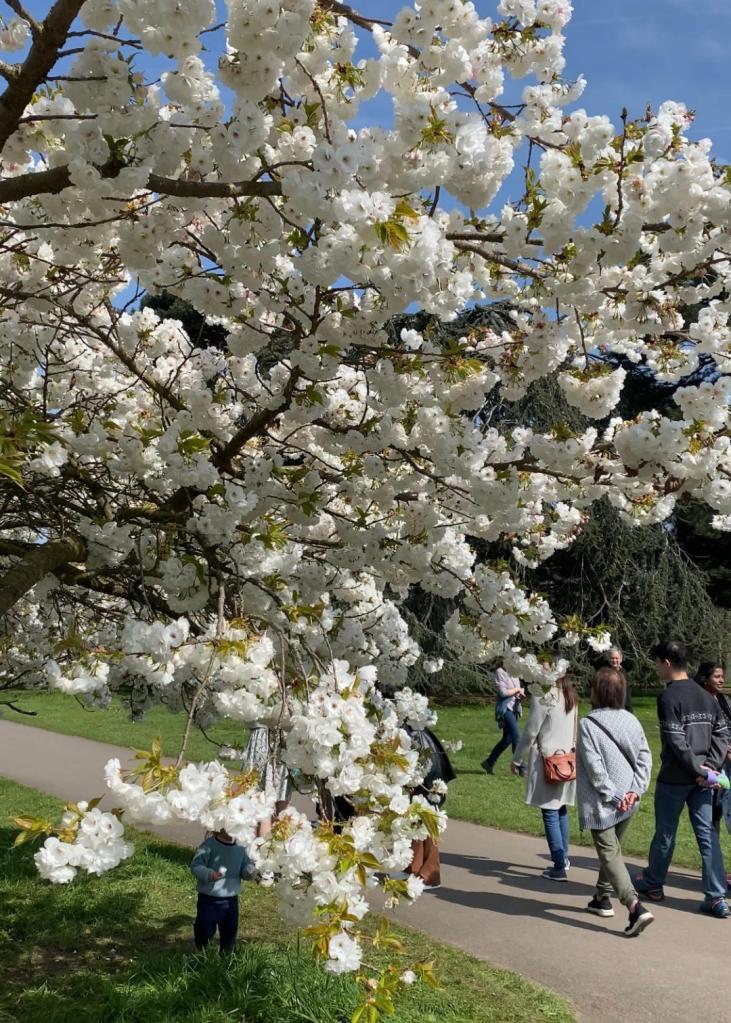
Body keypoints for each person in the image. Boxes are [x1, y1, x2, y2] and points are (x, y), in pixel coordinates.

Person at [635, 641, 730, 917]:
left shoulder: (668, 697)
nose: (658, 668)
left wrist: (702, 771)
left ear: (666, 663)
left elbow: (676, 742)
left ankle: (653, 883)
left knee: (666, 832)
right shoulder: (707, 696)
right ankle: (716, 897)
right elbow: (722, 734)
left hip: (676, 779)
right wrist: (709, 768)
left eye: (658, 664)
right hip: (703, 781)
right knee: (707, 836)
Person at [577, 667, 654, 936]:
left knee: (610, 852)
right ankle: (601, 898)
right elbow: (645, 758)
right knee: (612, 852)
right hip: (628, 800)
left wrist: (616, 795)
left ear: (596, 691)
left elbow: (595, 768)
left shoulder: (588, 724)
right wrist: (635, 791)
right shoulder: (632, 720)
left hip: (603, 802)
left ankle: (634, 907)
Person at [511, 675, 578, 881]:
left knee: (550, 811)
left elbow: (531, 731)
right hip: (566, 759)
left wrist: (517, 758)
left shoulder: (545, 696)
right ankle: (563, 859)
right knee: (560, 808)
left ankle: (559, 865)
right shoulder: (569, 694)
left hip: (547, 760)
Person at [404, 724, 456, 890]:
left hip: (424, 765)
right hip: (415, 747)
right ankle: (413, 866)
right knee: (414, 815)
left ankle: (430, 873)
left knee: (425, 814)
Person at [190, 828, 255, 953]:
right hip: (209, 899)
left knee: (229, 931)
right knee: (204, 927)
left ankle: (227, 956)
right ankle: (201, 949)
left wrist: (249, 872)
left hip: (231, 900)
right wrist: (209, 874)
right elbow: (196, 865)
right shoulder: (209, 845)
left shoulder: (240, 848)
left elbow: (245, 867)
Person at [695, 662, 731, 835]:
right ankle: (711, 850)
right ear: (705, 679)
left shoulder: (725, 701)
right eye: (717, 676)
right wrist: (724, 750)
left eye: (722, 676)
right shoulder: (698, 702)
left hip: (728, 762)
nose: (721, 680)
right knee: (712, 811)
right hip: (712, 762)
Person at [243, 725, 291, 837]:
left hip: (270, 738)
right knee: (270, 804)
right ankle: (268, 842)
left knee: (265, 804)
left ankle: (266, 842)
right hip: (277, 738)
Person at [482, 666, 525, 775]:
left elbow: (516, 690)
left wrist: (520, 694)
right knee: (516, 736)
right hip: (505, 709)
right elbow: (503, 692)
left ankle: (489, 762)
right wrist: (517, 690)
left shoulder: (514, 671)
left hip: (514, 708)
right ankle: (521, 767)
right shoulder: (500, 672)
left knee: (508, 738)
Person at [599, 647, 633, 713]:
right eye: (612, 658)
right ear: (608, 659)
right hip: (606, 708)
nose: (614, 660)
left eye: (616, 658)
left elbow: (627, 694)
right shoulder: (603, 674)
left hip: (622, 708)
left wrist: (629, 711)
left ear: (621, 659)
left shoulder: (624, 674)